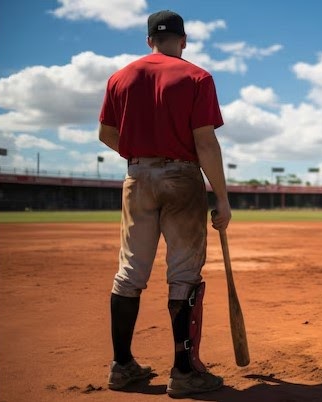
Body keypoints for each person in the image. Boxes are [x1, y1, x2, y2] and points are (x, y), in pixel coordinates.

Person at [98, 9, 232, 397]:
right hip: (181, 177)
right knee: (184, 273)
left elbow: (106, 133)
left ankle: (122, 367)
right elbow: (205, 141)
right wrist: (221, 198)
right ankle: (184, 372)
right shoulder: (196, 77)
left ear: (148, 41)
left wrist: (143, 153)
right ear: (183, 40)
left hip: (136, 176)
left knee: (129, 273)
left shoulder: (120, 77)